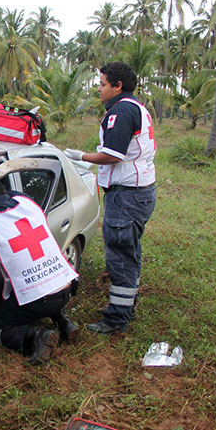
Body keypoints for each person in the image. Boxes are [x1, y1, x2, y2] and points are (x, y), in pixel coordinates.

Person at [63, 62, 156, 335]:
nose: (99, 89)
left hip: (126, 195)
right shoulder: (136, 107)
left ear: (118, 86)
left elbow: (113, 154)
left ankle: (116, 319)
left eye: (103, 84)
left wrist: (82, 157)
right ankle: (127, 306)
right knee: (130, 251)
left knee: (120, 255)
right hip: (139, 192)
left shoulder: (122, 111)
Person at [0, 181, 80, 364]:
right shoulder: (25, 201)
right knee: (46, 282)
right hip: (66, 286)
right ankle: (64, 322)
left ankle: (36, 336)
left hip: (39, 300)